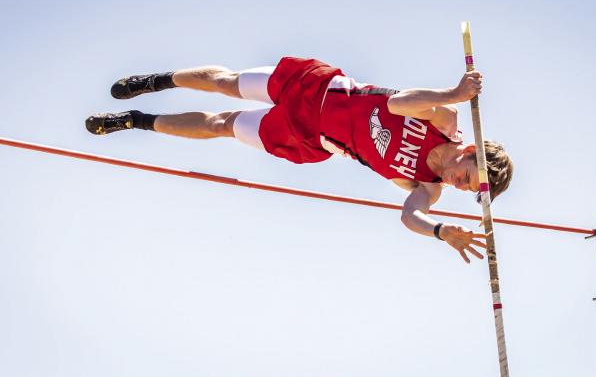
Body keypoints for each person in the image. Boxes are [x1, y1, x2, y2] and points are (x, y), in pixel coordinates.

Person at [86, 57, 513, 263]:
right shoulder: (444, 117)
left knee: (221, 125)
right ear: (471, 150)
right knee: (224, 83)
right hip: (317, 90)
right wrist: (454, 94)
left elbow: (409, 217)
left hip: (310, 136)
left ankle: (136, 121)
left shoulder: (428, 187)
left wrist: (440, 232)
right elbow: (399, 104)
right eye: (469, 177)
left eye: (469, 191)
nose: (460, 186)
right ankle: (157, 81)